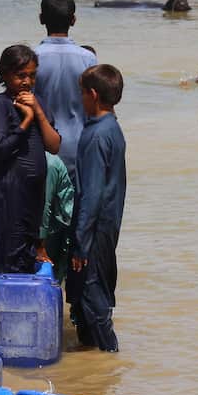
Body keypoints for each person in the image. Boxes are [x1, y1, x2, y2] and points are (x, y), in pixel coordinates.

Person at [0, 45, 61, 276]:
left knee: (28, 250)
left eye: (32, 75)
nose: (27, 81)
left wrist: (37, 112)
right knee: (9, 250)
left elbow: (54, 145)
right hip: (9, 192)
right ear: (4, 74)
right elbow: (0, 149)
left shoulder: (38, 103)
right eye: (21, 76)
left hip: (34, 194)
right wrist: (25, 121)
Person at [70, 64, 127, 353]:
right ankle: (93, 368)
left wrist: (80, 242)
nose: (80, 99)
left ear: (93, 94)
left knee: (93, 297)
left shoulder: (96, 136)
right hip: (107, 224)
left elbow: (90, 194)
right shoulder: (111, 128)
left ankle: (110, 356)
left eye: (82, 93)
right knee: (90, 295)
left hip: (94, 228)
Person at [34, 0, 97, 178]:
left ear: (41, 19)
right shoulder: (88, 59)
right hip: (80, 151)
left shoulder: (30, 59)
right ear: (73, 20)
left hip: (41, 150)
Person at [38, 151, 75, 286]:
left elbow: (44, 205)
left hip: (60, 228)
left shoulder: (50, 163)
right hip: (50, 227)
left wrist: (40, 246)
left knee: (55, 281)